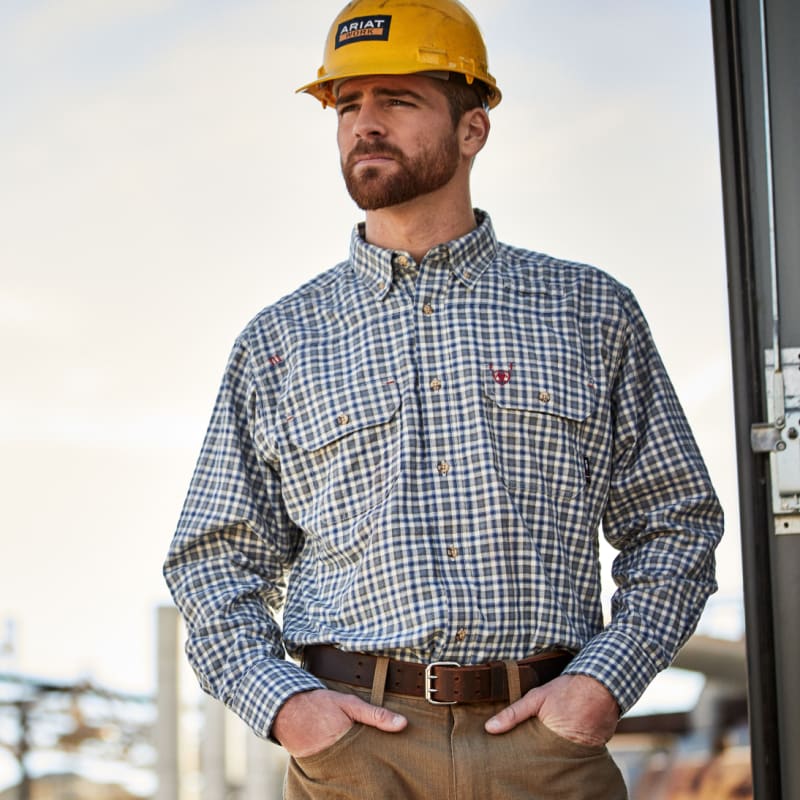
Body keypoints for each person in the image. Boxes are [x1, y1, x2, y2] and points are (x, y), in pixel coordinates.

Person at [163, 1, 723, 797]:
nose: (365, 123)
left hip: (547, 749)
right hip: (358, 753)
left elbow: (674, 520)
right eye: (348, 104)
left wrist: (601, 687)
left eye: (398, 99)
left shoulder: (587, 309)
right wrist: (291, 709)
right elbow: (213, 559)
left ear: (472, 130)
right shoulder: (278, 342)